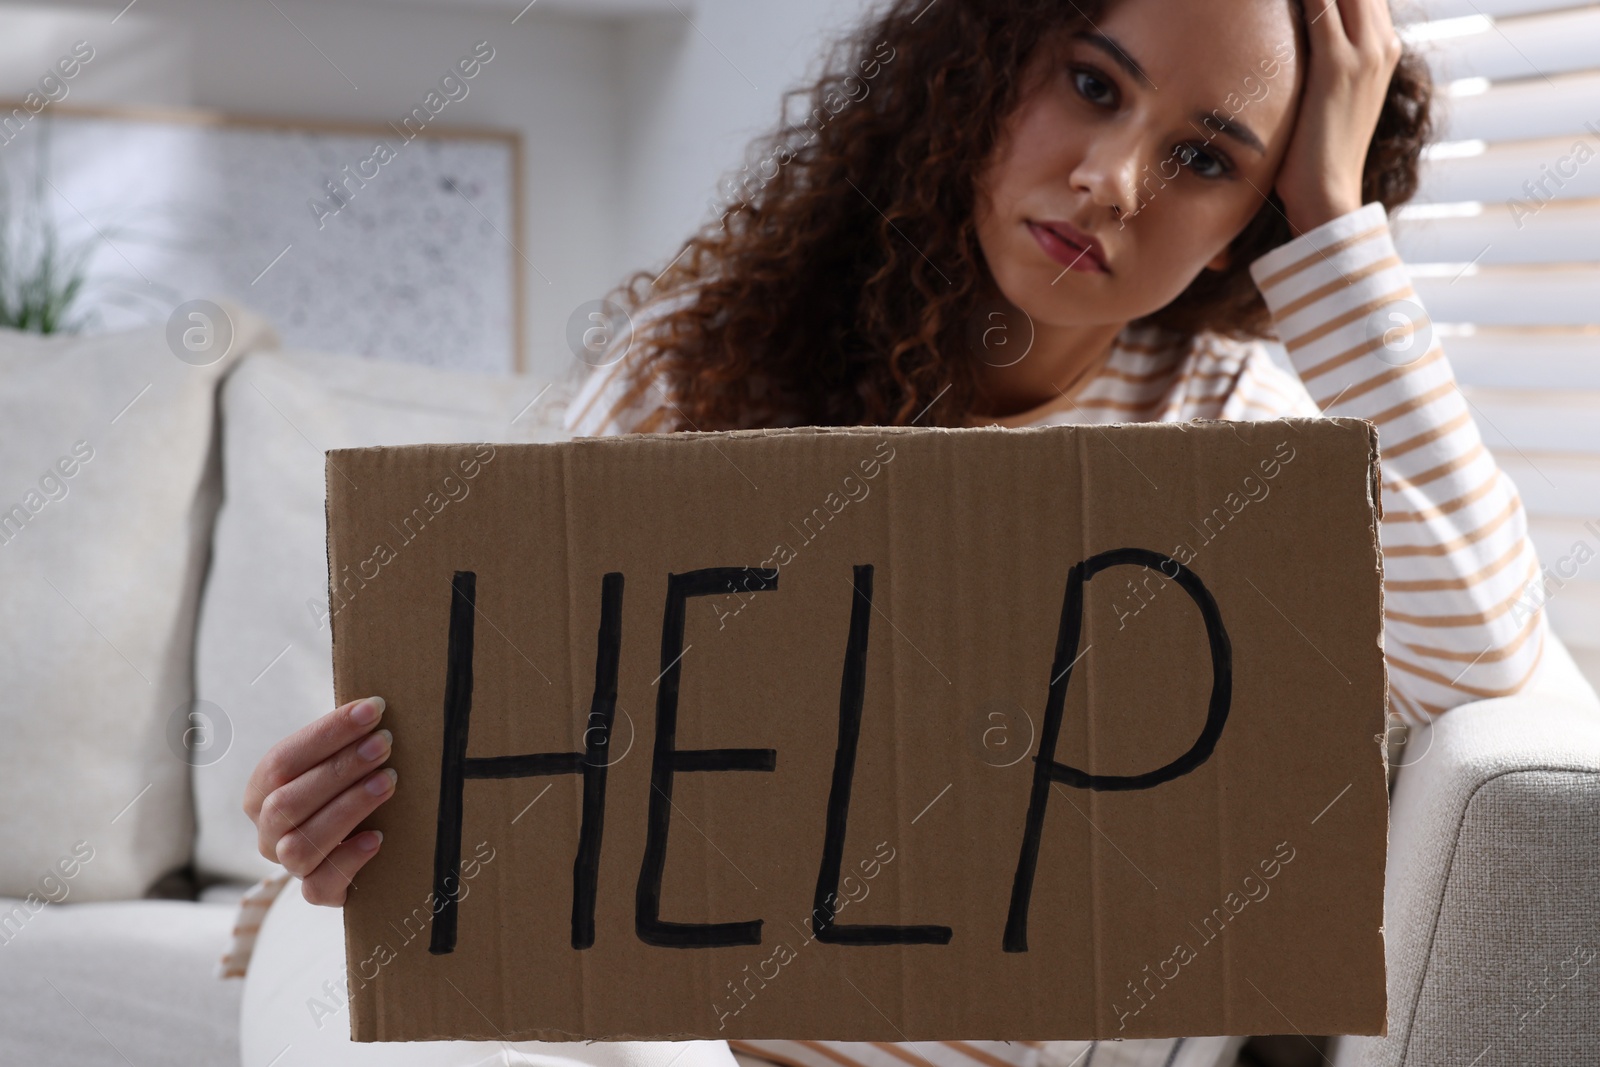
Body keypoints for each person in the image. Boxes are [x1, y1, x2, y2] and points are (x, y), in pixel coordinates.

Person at [239, 0, 1548, 1064]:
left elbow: (1486, 656)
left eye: (1206, 159)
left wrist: (1330, 224)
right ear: (984, 70)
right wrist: (343, 816)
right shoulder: (698, 360)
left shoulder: (1234, 436)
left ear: (1239, 236)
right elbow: (500, 750)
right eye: (1092, 84)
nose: (1109, 181)